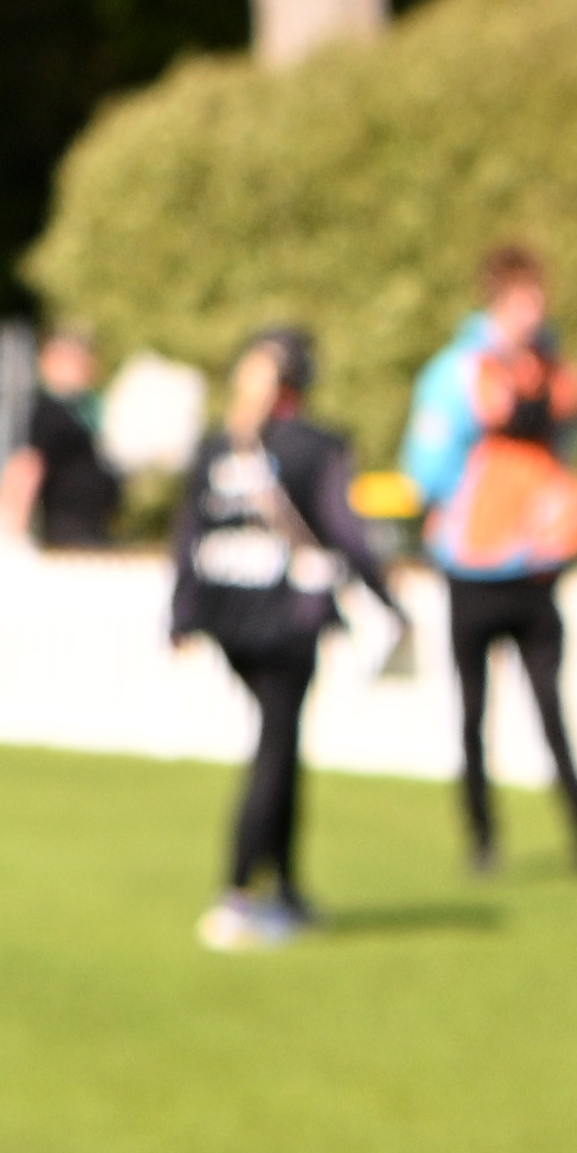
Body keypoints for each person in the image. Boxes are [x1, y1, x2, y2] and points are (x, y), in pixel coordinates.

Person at [401, 244, 577, 880]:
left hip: (536, 568)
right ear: (498, 300)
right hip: (474, 568)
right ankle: (482, 842)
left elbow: (566, 445)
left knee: (552, 712)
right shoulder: (458, 373)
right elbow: (426, 466)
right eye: (523, 300)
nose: (534, 311)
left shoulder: (557, 371)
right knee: (474, 714)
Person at [166, 325, 393, 950]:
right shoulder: (315, 448)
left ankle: (286, 890)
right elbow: (346, 532)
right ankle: (238, 893)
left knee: (283, 746)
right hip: (284, 619)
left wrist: (180, 613)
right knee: (276, 748)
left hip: (226, 617)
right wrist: (388, 602)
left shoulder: (220, 445)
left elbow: (188, 532)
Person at [0, 324, 122, 549]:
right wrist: (10, 528)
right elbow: (27, 465)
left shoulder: (85, 409)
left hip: (92, 525)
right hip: (68, 528)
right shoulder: (48, 411)